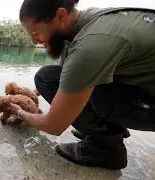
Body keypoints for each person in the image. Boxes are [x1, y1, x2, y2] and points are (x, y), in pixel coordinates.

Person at [9, 0, 155, 170]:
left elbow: (54, 125)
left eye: (35, 33)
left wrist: (18, 111)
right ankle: (108, 128)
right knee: (48, 77)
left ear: (60, 15)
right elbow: (66, 74)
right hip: (142, 90)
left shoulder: (92, 44)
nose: (34, 41)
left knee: (57, 80)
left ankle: (105, 149)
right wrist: (31, 93)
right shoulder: (83, 23)